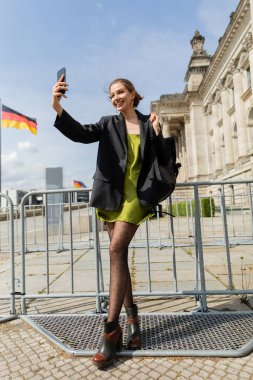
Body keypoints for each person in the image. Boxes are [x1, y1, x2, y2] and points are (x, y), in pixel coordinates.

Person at [52, 76, 163, 369]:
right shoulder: (107, 124)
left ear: (133, 93)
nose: (116, 97)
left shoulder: (149, 123)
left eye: (121, 92)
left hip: (137, 200)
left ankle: (111, 330)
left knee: (115, 251)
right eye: (112, 95)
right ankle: (134, 321)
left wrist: (159, 133)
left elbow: (163, 159)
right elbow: (80, 134)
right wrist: (56, 105)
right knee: (120, 257)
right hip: (112, 196)